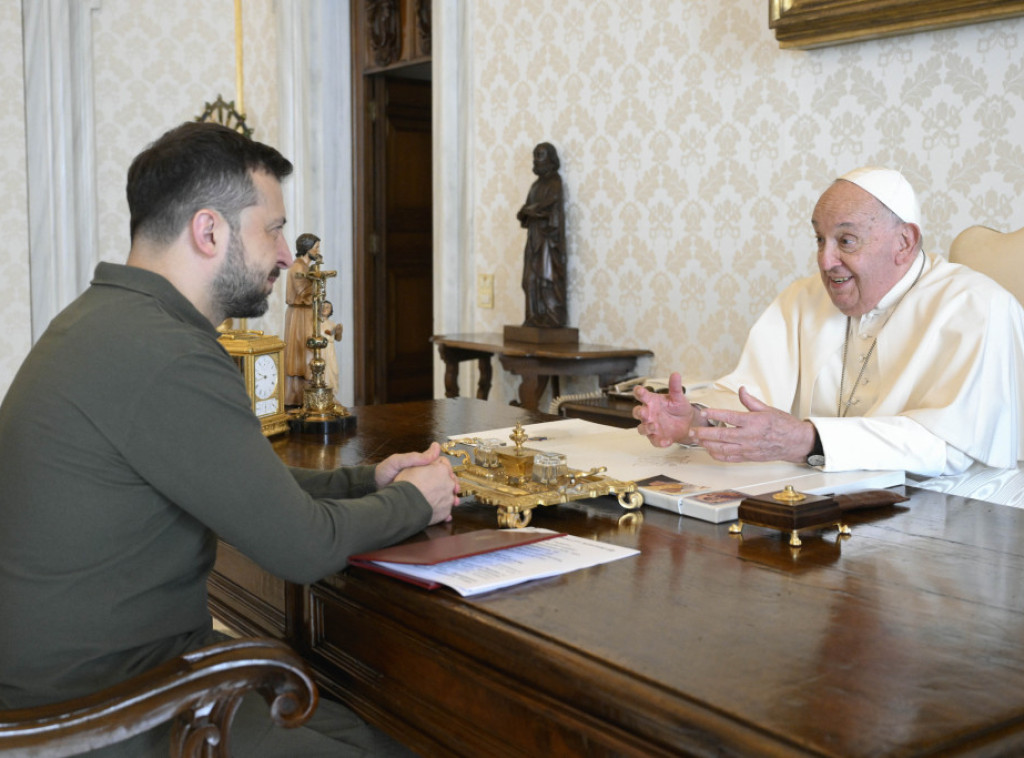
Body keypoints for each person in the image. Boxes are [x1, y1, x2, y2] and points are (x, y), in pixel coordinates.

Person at [0, 121, 459, 756]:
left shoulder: (106, 319)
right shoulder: (166, 353)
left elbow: (233, 482)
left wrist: (367, 479)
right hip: (98, 716)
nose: (286, 255)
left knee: (372, 726)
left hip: (107, 681)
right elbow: (302, 547)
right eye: (272, 228)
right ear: (209, 230)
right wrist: (419, 500)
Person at [634, 167, 1024, 481]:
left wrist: (811, 440)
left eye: (846, 241)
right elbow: (747, 396)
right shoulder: (803, 300)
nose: (825, 260)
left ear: (904, 242)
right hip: (830, 498)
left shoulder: (977, 307)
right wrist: (696, 422)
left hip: (955, 508)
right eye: (820, 239)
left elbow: (953, 448)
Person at [517, 142, 567, 328]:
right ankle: (532, 317)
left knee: (546, 279)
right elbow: (526, 210)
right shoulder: (535, 186)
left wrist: (533, 211)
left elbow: (550, 210)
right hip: (534, 238)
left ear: (550, 159)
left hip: (547, 240)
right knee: (529, 279)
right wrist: (526, 212)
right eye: (535, 155)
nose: (536, 160)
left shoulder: (555, 182)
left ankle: (551, 317)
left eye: (540, 155)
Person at [283, 232, 318, 405]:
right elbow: (305, 294)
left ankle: (308, 394)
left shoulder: (306, 267)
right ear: (307, 249)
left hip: (306, 313)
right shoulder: (298, 268)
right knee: (300, 352)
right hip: (300, 314)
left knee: (309, 352)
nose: (318, 251)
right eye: (316, 248)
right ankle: (297, 396)